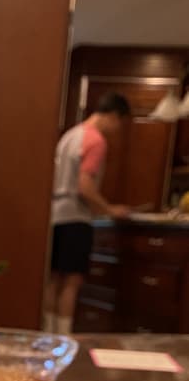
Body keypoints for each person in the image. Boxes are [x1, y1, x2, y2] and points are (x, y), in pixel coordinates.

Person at [44, 92, 132, 334]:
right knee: (71, 281)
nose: (117, 130)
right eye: (119, 124)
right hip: (76, 216)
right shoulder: (96, 140)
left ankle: (47, 334)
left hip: (55, 215)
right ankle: (63, 338)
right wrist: (109, 210)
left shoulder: (70, 136)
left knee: (53, 279)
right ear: (114, 116)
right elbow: (84, 185)